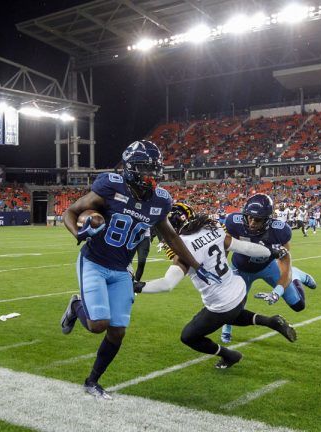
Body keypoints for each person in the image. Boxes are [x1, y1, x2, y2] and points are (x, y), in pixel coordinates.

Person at [58, 140, 222, 400]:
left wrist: (196, 265)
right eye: (146, 168)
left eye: (154, 169)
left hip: (122, 268)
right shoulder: (111, 186)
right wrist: (79, 232)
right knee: (98, 324)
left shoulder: (160, 200)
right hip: (95, 262)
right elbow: (71, 211)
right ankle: (76, 305)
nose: (152, 174)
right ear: (131, 168)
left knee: (118, 331)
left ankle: (92, 381)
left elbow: (171, 237)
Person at [134, 203, 296, 369]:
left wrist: (137, 286)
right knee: (232, 314)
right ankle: (271, 321)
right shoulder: (212, 230)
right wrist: (272, 251)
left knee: (189, 336)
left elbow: (167, 284)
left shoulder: (183, 249)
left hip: (221, 302)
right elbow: (244, 247)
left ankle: (229, 355)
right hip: (238, 289)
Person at [219, 193, 318, 343]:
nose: (251, 223)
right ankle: (227, 327)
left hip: (268, 267)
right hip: (240, 269)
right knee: (232, 304)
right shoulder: (234, 222)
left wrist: (277, 292)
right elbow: (225, 246)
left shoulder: (280, 231)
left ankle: (297, 276)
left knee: (298, 305)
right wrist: (221, 268)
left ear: (267, 219)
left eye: (257, 219)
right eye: (249, 217)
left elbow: (285, 265)